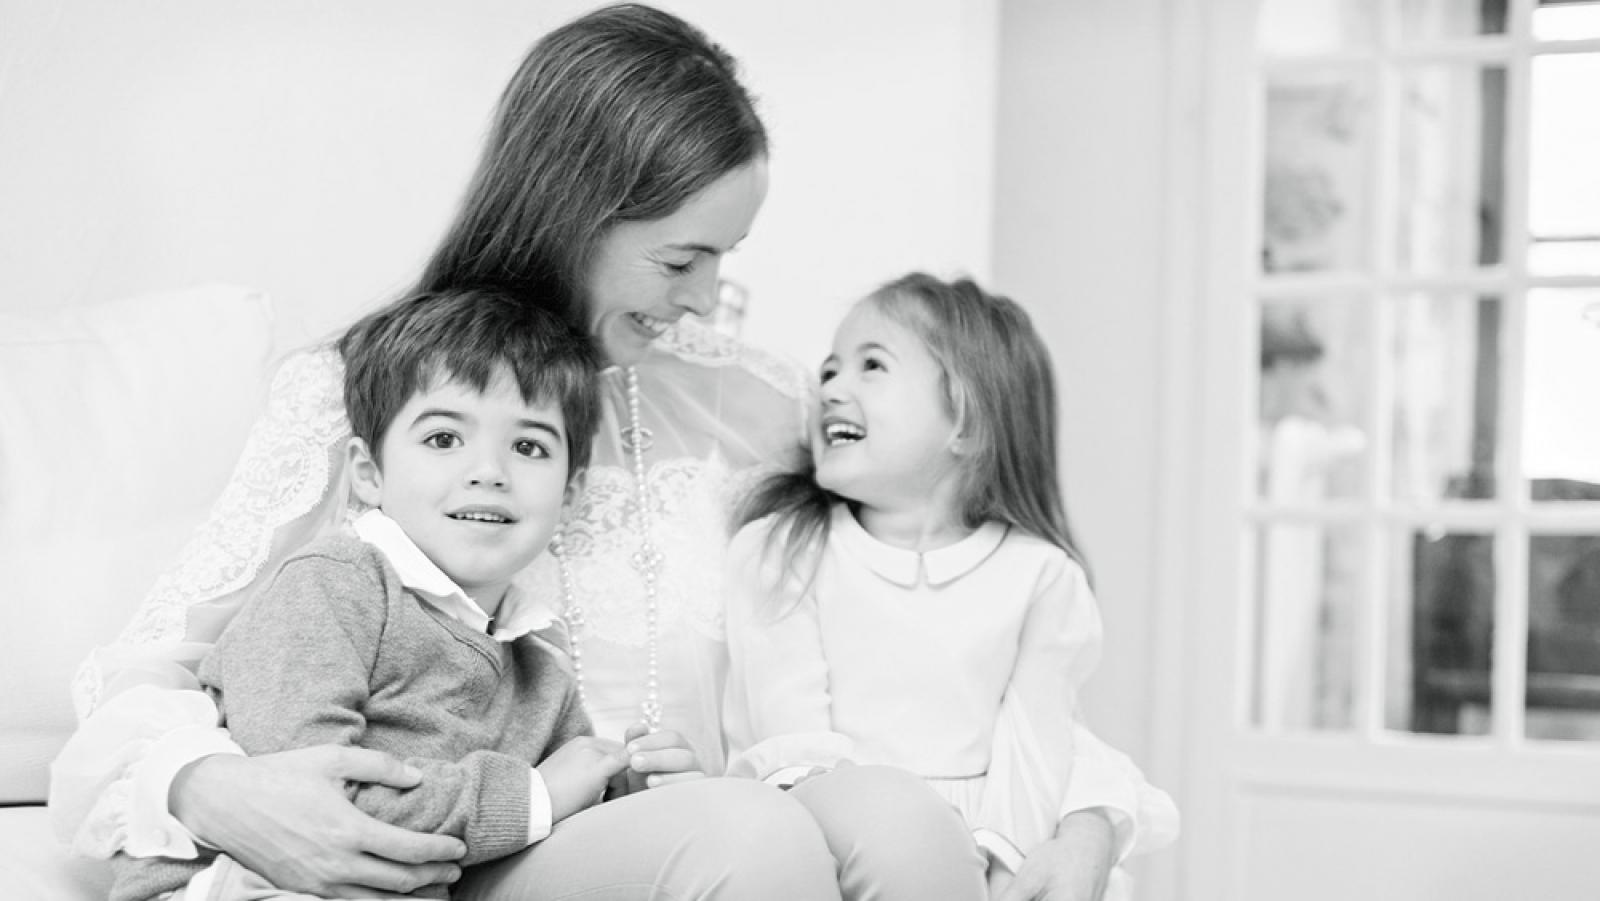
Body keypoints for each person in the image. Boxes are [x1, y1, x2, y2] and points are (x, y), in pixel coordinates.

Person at [49, 5, 1162, 900]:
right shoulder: (377, 395)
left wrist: (1088, 818)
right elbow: (144, 675)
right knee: (750, 834)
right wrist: (210, 787)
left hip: (729, 807)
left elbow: (954, 643)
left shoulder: (758, 405)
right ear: (574, 208)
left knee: (898, 816)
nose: (704, 298)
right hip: (496, 846)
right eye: (681, 260)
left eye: (724, 259)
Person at [112, 290, 637, 900]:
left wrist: (628, 789)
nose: (489, 472)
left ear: (569, 497)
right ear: (369, 473)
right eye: (443, 439)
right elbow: (309, 797)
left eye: (528, 447)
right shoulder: (332, 583)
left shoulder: (543, 668)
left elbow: (567, 818)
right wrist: (533, 798)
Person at [723, 274, 1179, 901]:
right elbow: (792, 743)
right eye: (830, 370)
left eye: (871, 365)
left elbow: (1037, 753)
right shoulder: (784, 552)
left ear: (967, 421)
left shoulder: (1039, 576)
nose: (830, 388)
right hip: (835, 852)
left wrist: (1005, 873)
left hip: (988, 862)